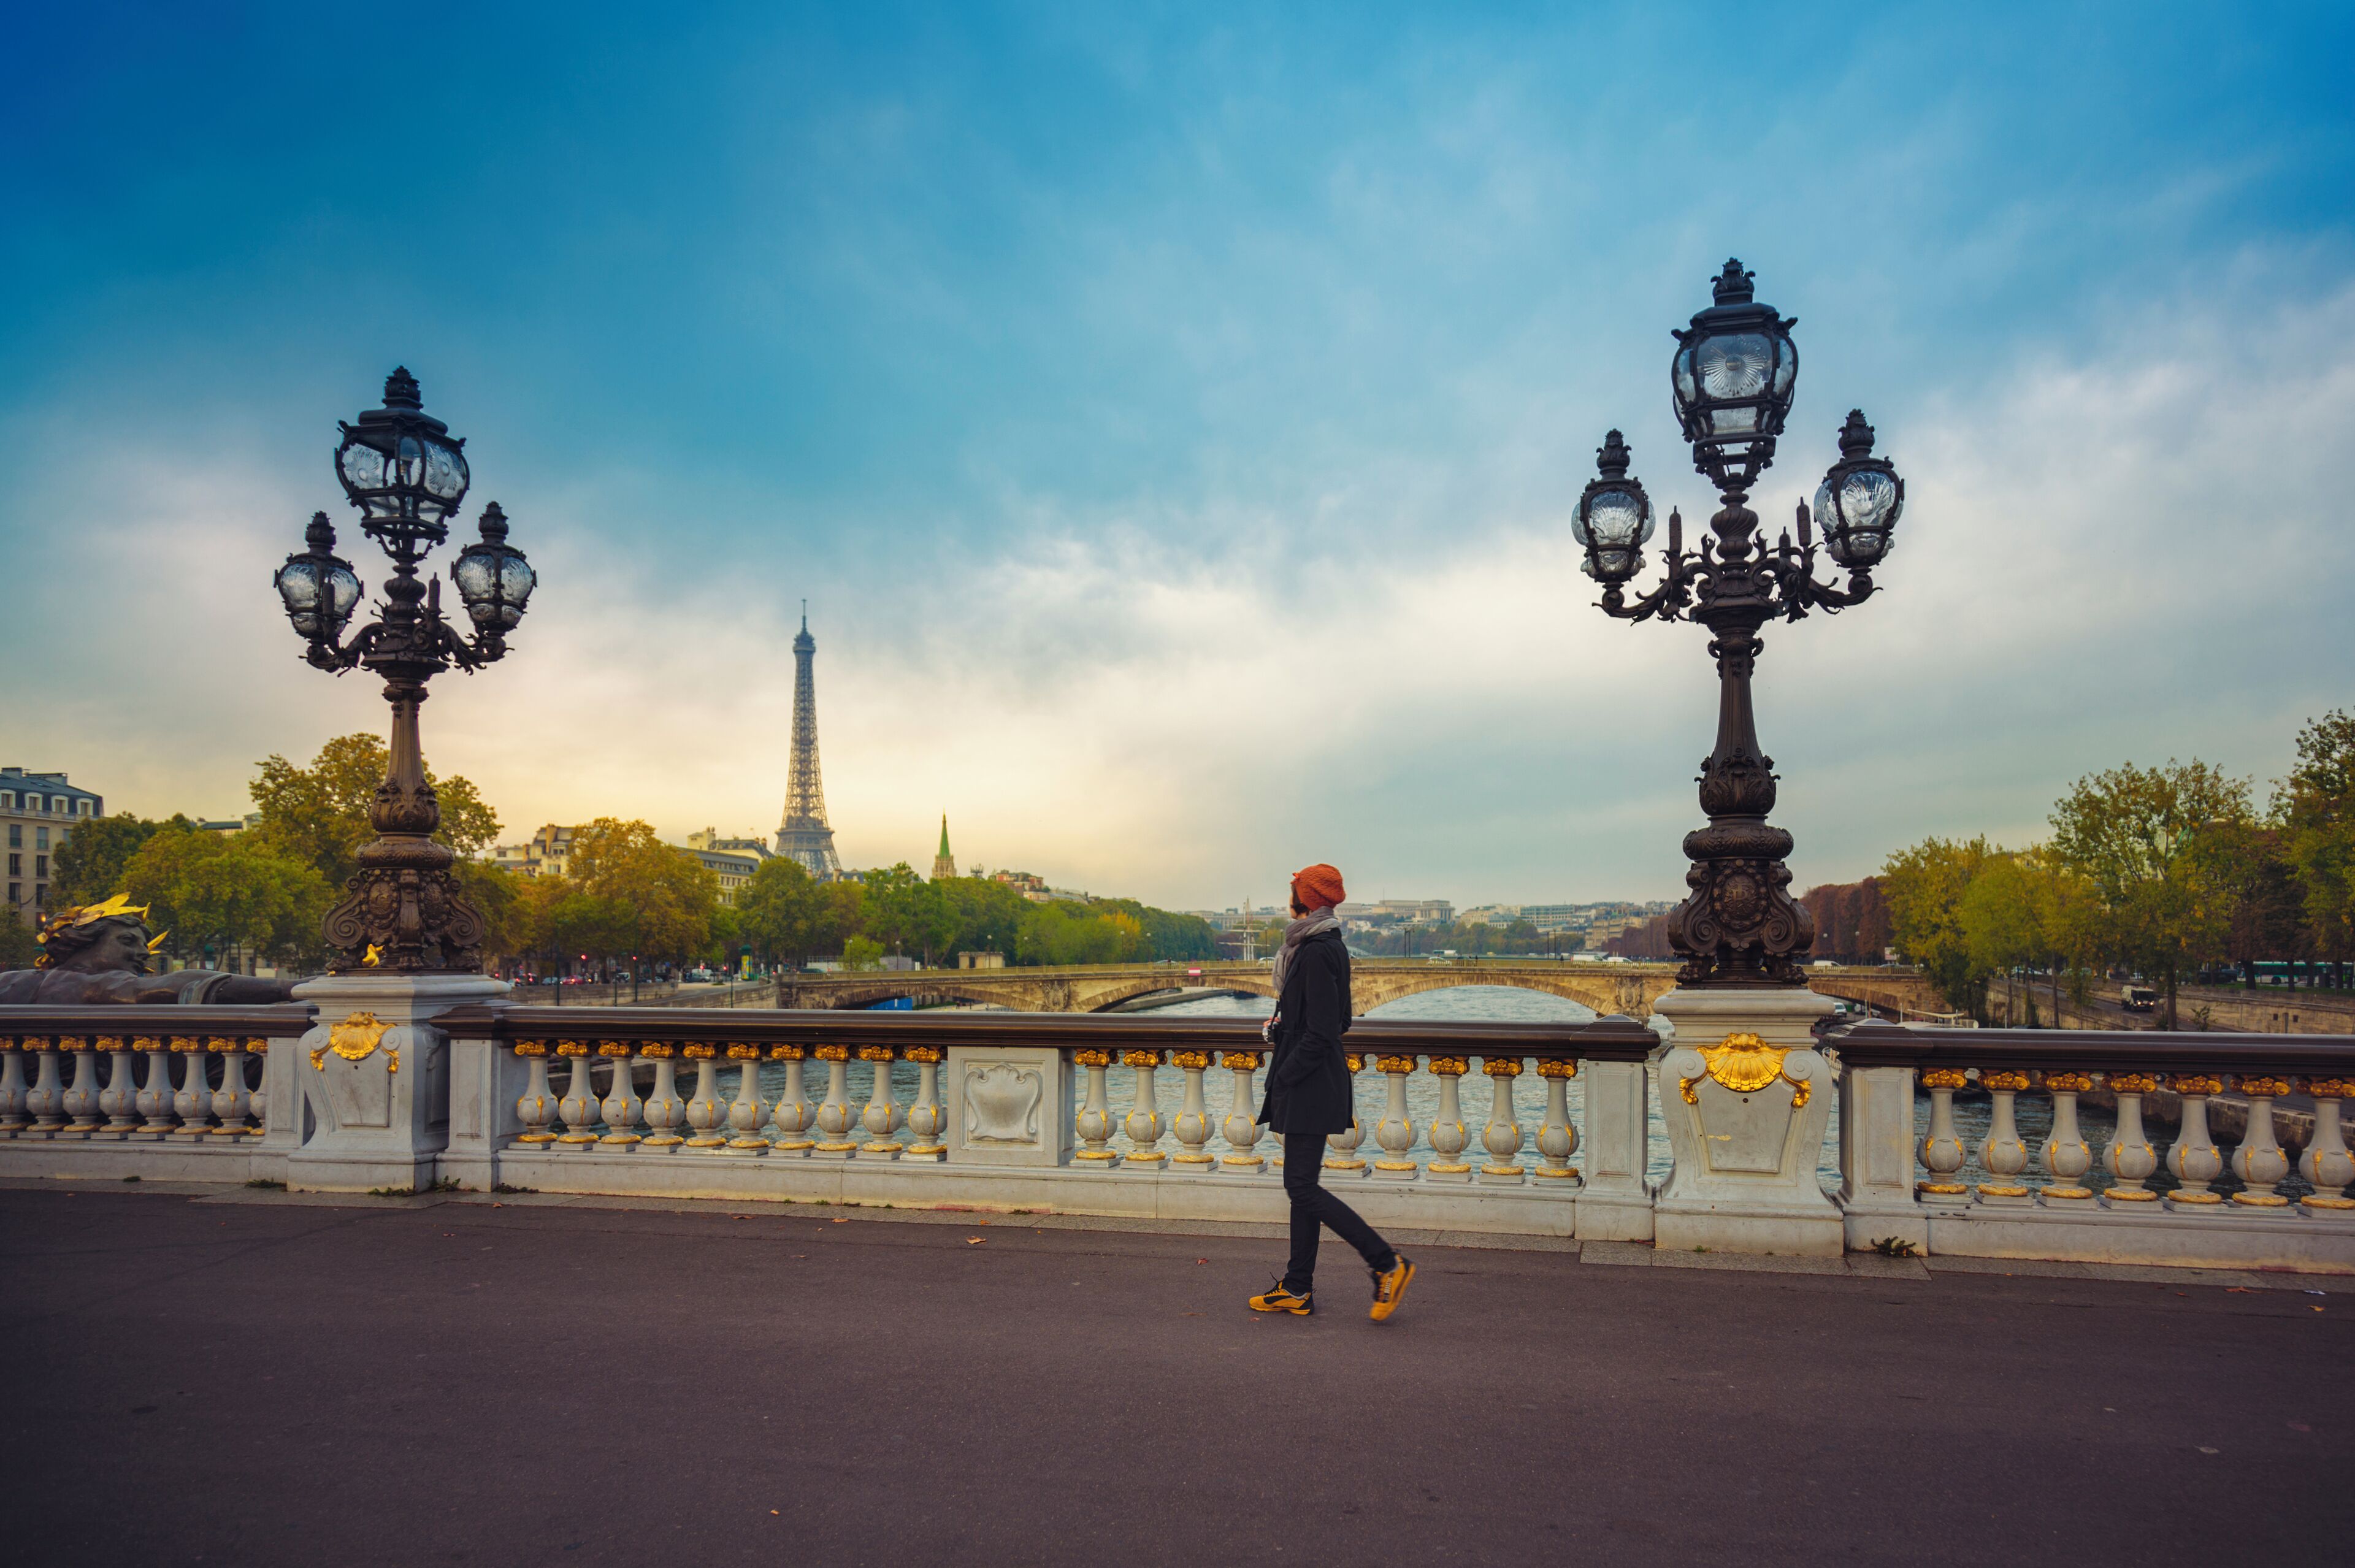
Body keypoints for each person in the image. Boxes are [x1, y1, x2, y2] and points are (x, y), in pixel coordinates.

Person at [1248, 862, 1416, 1321]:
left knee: (1300, 1186)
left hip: (1309, 1083)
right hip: (1313, 1079)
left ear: (1304, 897)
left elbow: (1324, 1031)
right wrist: (1283, 1027)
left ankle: (1387, 1262)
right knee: (1302, 1187)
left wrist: (1285, 1073)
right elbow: (1335, 1020)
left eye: (1293, 891)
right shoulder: (1323, 944)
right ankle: (1298, 1287)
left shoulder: (1318, 950)